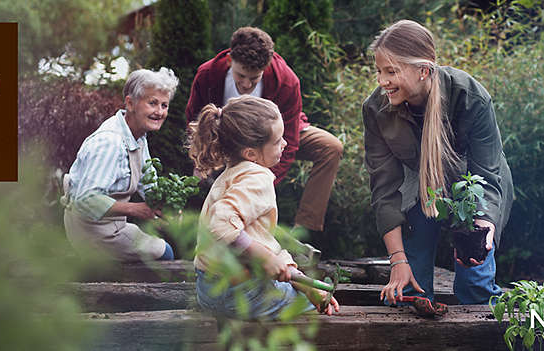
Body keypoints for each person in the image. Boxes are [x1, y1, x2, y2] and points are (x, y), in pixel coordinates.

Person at [363, 20, 514, 305]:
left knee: (476, 285)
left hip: (472, 190)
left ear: (423, 71)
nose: (382, 81)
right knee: (409, 291)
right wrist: (398, 261)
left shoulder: (469, 97)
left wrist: (482, 232)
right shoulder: (376, 109)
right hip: (417, 189)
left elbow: (487, 176)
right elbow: (384, 190)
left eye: (391, 71)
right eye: (379, 71)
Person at [186, 27, 343, 246]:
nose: (246, 85)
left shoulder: (287, 81)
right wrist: (202, 162)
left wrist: (262, 182)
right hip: (229, 137)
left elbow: (289, 142)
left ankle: (303, 232)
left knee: (331, 147)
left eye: (254, 78)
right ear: (230, 59)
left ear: (266, 67)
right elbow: (196, 120)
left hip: (276, 136)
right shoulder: (208, 74)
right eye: (241, 76)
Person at [189, 95, 340, 320]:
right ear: (251, 153)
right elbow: (221, 225)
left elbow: (259, 240)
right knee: (309, 307)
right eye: (278, 141)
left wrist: (300, 279)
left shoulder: (231, 175)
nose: (285, 144)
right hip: (238, 294)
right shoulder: (257, 177)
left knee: (302, 290)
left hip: (208, 289)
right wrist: (265, 258)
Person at [62, 68, 178, 262]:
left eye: (164, 105)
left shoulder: (138, 137)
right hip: (93, 231)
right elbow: (86, 200)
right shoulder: (110, 142)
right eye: (152, 103)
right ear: (130, 103)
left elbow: (148, 183)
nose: (159, 112)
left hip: (112, 226)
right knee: (165, 253)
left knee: (162, 245)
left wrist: (165, 207)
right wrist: (136, 209)